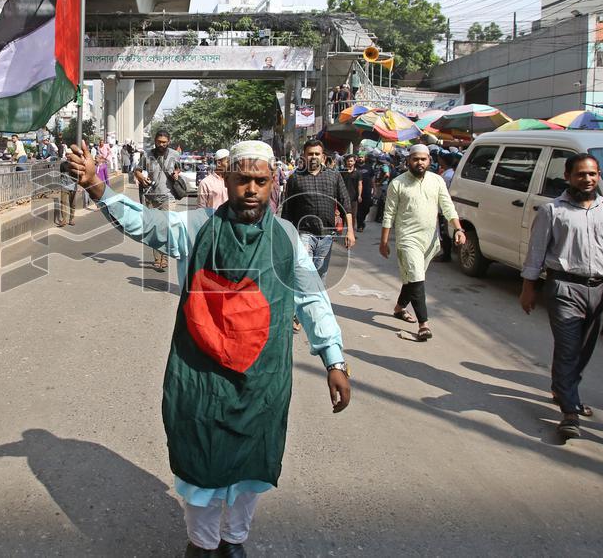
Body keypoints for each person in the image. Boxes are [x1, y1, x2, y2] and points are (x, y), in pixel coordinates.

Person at [66, 139, 351, 555]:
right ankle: (201, 544)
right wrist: (97, 186)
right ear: (227, 180)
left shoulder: (288, 238)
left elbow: (312, 300)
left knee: (252, 463)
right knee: (203, 465)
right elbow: (146, 223)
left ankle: (235, 540)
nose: (250, 189)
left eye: (260, 180)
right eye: (242, 180)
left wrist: (334, 359)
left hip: (262, 381)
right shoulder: (197, 226)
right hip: (200, 376)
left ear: (273, 184)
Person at [520, 153, 603, 439]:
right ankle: (569, 411)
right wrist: (528, 287)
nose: (587, 179)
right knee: (568, 347)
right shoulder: (552, 211)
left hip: (599, 289)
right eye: (581, 174)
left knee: (584, 349)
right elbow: (536, 251)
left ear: (598, 177)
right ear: (568, 176)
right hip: (563, 287)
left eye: (592, 174)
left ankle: (564, 388)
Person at [380, 144, 466, 342]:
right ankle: (423, 324)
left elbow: (447, 207)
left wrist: (459, 229)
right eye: (415, 159)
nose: (419, 162)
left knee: (413, 278)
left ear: (429, 161)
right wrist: (384, 241)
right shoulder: (398, 183)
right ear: (408, 161)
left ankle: (399, 308)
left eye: (423, 159)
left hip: (430, 240)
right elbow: (389, 214)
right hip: (407, 239)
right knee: (417, 278)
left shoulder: (437, 181)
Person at [282, 139, 356, 333]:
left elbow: (345, 203)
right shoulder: (295, 178)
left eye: (317, 154)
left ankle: (313, 312)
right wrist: (287, 236)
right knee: (305, 273)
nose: (313, 157)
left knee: (320, 275)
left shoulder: (333, 176)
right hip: (303, 233)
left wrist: (350, 230)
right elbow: (287, 211)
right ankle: (297, 314)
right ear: (304, 156)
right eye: (310, 154)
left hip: (327, 235)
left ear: (323, 157)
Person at [133, 130, 181, 272]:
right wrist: (141, 177)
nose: (161, 144)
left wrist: (176, 174)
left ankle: (164, 259)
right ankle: (157, 258)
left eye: (164, 142)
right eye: (159, 142)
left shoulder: (175, 155)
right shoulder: (147, 155)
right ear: (155, 141)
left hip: (168, 197)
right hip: (151, 197)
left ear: (169, 141)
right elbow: (136, 170)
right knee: (154, 229)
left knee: (166, 228)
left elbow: (179, 169)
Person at [355, 155, 375, 232]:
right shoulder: (355, 166)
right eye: (359, 157)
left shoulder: (369, 167)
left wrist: (374, 188)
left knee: (366, 208)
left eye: (362, 157)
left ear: (364, 158)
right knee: (358, 209)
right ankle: (360, 225)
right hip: (356, 190)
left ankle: (362, 220)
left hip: (367, 190)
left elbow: (372, 178)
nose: (360, 158)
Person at [57, 156, 78, 227]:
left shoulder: (75, 165)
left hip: (73, 186)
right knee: (63, 202)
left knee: (73, 204)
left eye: (70, 155)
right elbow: (61, 175)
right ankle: (64, 220)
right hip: (64, 186)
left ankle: (71, 219)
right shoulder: (62, 164)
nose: (69, 157)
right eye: (67, 155)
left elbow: (79, 176)